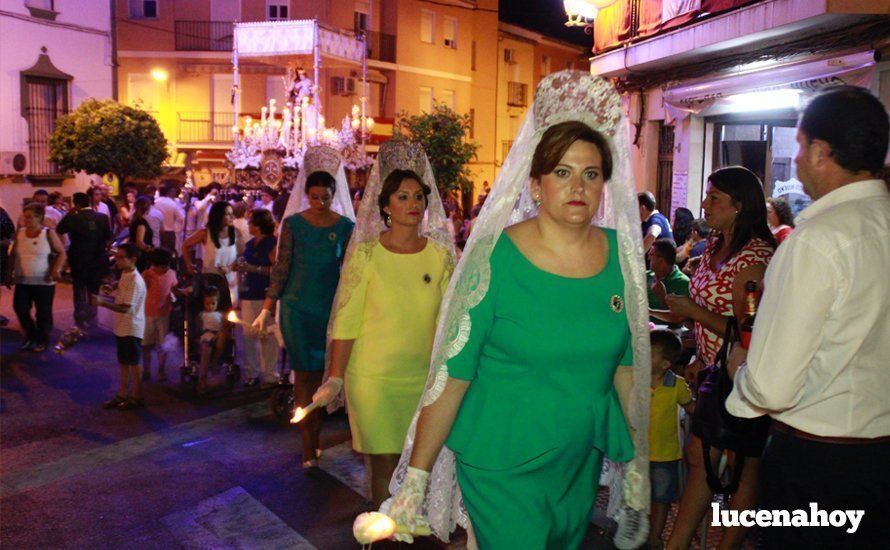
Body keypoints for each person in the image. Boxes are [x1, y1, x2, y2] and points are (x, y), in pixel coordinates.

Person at [381, 72, 651, 549]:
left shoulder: (622, 258)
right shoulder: (494, 258)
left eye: (591, 174)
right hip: (500, 460)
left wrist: (637, 461)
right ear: (535, 182)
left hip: (576, 462)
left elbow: (627, 365)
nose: (578, 186)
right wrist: (416, 479)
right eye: (562, 172)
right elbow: (454, 372)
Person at [726, 86, 890, 546]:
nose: (795, 161)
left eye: (799, 147)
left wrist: (740, 375)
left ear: (821, 152)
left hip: (819, 465)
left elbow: (772, 385)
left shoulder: (816, 240)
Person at [309, 141, 455, 506]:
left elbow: (451, 320)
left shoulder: (440, 256)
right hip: (373, 379)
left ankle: (410, 526)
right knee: (384, 461)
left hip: (423, 379)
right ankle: (383, 533)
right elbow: (347, 319)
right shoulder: (366, 254)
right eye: (403, 197)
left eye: (419, 197)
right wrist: (336, 376)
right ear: (386, 206)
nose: (413, 204)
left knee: (422, 462)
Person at [664, 166, 775, 550]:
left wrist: (694, 314)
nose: (705, 204)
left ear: (740, 207)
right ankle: (681, 542)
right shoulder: (713, 245)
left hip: (743, 376)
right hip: (713, 371)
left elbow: (750, 329)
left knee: (740, 467)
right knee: (703, 458)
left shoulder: (755, 256)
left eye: (714, 198)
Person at [253, 146, 356, 469]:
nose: (320, 203)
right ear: (306, 194)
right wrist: (268, 307)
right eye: (314, 197)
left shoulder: (344, 227)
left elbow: (351, 273)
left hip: (328, 310)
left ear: (333, 195)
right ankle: (307, 446)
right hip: (297, 308)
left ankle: (318, 435)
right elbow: (281, 268)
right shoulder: (294, 225)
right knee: (304, 377)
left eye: (325, 197)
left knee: (326, 378)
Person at [648, 330, 694, 548]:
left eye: (650, 353)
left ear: (666, 363)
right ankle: (638, 533)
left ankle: (655, 537)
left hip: (665, 455)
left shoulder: (676, 385)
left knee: (661, 499)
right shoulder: (635, 380)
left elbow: (692, 407)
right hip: (637, 453)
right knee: (636, 498)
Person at [95, 243, 147, 411]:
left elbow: (126, 307)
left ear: (132, 259)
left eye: (120, 257)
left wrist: (102, 302)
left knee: (133, 362)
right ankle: (123, 393)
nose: (116, 260)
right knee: (124, 362)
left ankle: (136, 396)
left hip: (131, 327)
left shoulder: (135, 281)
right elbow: (123, 282)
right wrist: (114, 286)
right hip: (123, 326)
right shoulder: (126, 273)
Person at [11, 203, 66, 352]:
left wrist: (55, 270)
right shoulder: (20, 233)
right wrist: (9, 273)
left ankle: (42, 339)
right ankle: (31, 335)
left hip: (44, 281)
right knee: (20, 308)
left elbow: (61, 252)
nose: (26, 220)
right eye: (25, 217)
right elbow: (14, 253)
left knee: (43, 312)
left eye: (30, 217)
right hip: (23, 280)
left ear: (39, 217)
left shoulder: (47, 233)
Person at [57, 192, 112, 334]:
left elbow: (60, 229)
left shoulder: (74, 218)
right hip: (97, 259)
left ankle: (80, 321)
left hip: (79, 260)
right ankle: (93, 319)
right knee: (94, 290)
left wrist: (70, 213)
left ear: (76, 204)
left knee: (79, 290)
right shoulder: (102, 217)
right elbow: (108, 238)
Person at [235, 209, 278, 387]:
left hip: (264, 294)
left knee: (266, 334)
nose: (248, 225)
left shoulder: (272, 243)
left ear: (259, 225)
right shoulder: (251, 243)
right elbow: (245, 262)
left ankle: (269, 373)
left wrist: (255, 269)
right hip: (248, 293)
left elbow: (276, 270)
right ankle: (251, 371)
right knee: (248, 333)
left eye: (251, 222)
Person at [182, 201, 243, 305]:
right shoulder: (205, 232)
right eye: (228, 214)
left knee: (229, 310)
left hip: (230, 279)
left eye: (232, 213)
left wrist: (230, 267)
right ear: (218, 215)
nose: (232, 217)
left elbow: (241, 254)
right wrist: (189, 265)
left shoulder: (236, 232)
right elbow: (185, 245)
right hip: (210, 280)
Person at [141, 248, 177, 382]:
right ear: (153, 264)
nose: (166, 268)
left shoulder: (171, 273)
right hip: (147, 314)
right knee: (146, 345)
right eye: (162, 266)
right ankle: (146, 369)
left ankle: (162, 370)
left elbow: (174, 289)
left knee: (163, 344)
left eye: (167, 265)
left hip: (164, 314)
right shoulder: (146, 275)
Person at [197, 286, 231, 393]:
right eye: (207, 304)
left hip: (218, 335)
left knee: (221, 335)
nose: (210, 306)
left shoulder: (220, 314)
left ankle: (215, 361)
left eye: (213, 304)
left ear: (217, 303)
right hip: (206, 335)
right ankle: (202, 378)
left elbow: (226, 328)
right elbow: (198, 328)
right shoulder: (202, 314)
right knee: (206, 348)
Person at [647, 238, 689, 316]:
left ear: (661, 261)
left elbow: (679, 319)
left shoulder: (683, 283)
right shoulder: (646, 276)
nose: (648, 258)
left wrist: (663, 298)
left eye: (651, 255)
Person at [154, 181, 185, 252]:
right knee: (168, 253)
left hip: (156, 232)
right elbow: (182, 218)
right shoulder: (172, 204)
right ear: (169, 192)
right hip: (169, 233)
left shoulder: (155, 203)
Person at [128, 196, 154, 272]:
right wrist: (149, 249)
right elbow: (139, 242)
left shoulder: (135, 220)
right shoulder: (141, 223)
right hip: (141, 257)